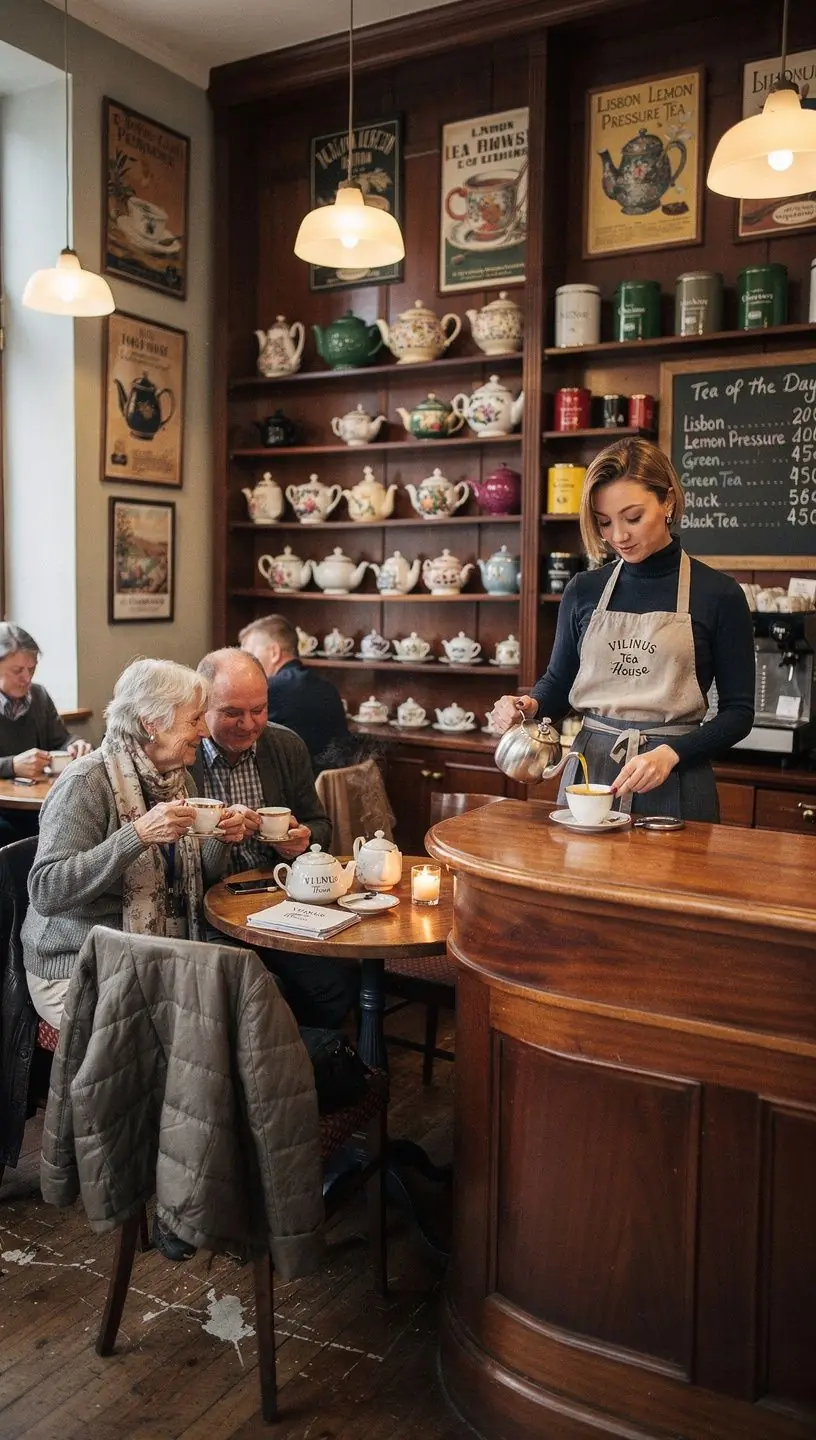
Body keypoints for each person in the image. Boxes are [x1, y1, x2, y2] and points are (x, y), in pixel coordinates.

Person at [491, 438, 755, 821]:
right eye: (604, 522)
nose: (618, 536)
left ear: (667, 502)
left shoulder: (719, 594)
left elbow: (739, 714)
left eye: (632, 517)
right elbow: (560, 683)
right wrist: (529, 705)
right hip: (589, 775)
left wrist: (672, 754)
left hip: (676, 776)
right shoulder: (584, 590)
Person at [21, 658, 246, 1030]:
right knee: (192, 1031)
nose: (205, 731)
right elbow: (46, 890)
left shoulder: (177, 781)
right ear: (151, 724)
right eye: (194, 719)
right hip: (76, 966)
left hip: (150, 956)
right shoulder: (86, 783)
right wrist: (137, 835)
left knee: (238, 1003)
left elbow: (199, 877)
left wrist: (220, 837)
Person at [190, 648, 358, 1027]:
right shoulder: (183, 756)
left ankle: (311, 1067)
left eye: (259, 709)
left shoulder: (285, 745)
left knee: (335, 983)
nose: (249, 725)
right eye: (233, 712)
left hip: (276, 901)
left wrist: (303, 839)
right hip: (208, 911)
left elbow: (320, 825)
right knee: (265, 993)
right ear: (201, 708)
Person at [0, 623, 92, 842]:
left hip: (40, 807)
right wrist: (12, 765)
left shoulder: (39, 696)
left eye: (32, 669)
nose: (27, 678)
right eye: (17, 671)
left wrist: (76, 744)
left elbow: (61, 739)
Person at [239, 614, 349, 772]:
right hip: (334, 789)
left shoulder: (268, 690)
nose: (245, 663)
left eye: (249, 655)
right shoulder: (328, 687)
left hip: (297, 787)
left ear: (274, 652)